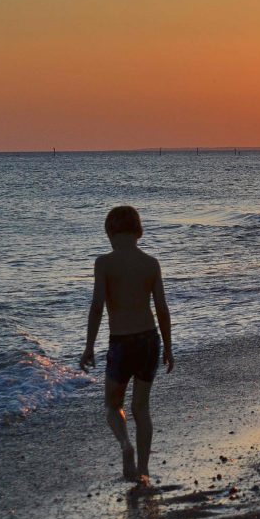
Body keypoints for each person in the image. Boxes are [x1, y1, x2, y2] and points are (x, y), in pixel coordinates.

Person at [80, 206, 174, 485]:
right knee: (141, 409)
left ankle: (125, 444)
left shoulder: (104, 263)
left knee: (112, 405)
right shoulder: (151, 263)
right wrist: (168, 347)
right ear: (138, 232)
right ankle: (143, 471)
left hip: (121, 342)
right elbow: (162, 309)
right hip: (149, 340)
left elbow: (97, 307)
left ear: (110, 232)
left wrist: (88, 346)